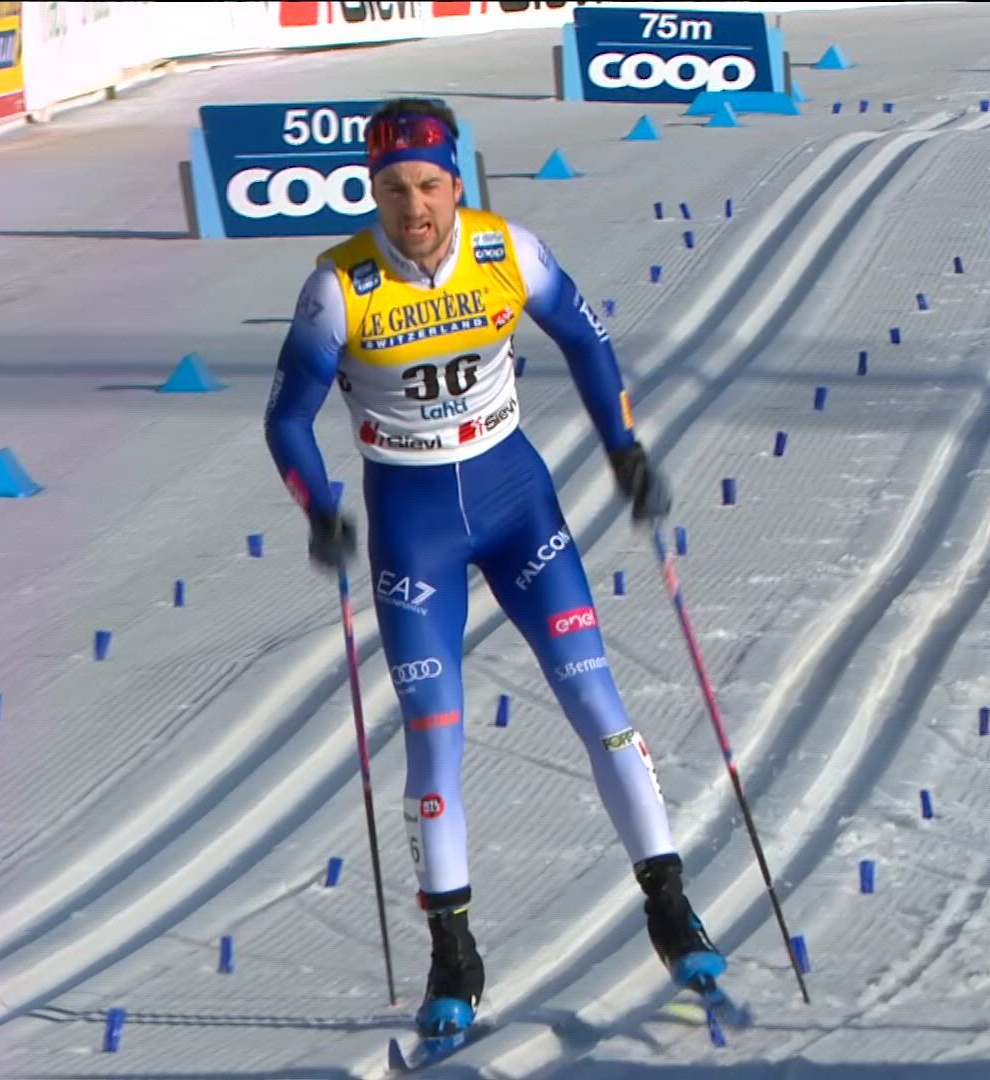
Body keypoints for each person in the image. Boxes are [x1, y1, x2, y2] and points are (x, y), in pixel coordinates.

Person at [262, 98, 724, 1040]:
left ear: (456, 183)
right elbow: (286, 418)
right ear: (374, 194)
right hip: (413, 526)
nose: (414, 208)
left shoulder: (507, 250)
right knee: (435, 735)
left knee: (595, 698)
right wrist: (317, 509)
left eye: (429, 186)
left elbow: (586, 340)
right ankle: (453, 955)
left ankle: (671, 907)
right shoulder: (338, 288)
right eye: (394, 190)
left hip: (517, 505)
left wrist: (624, 450)